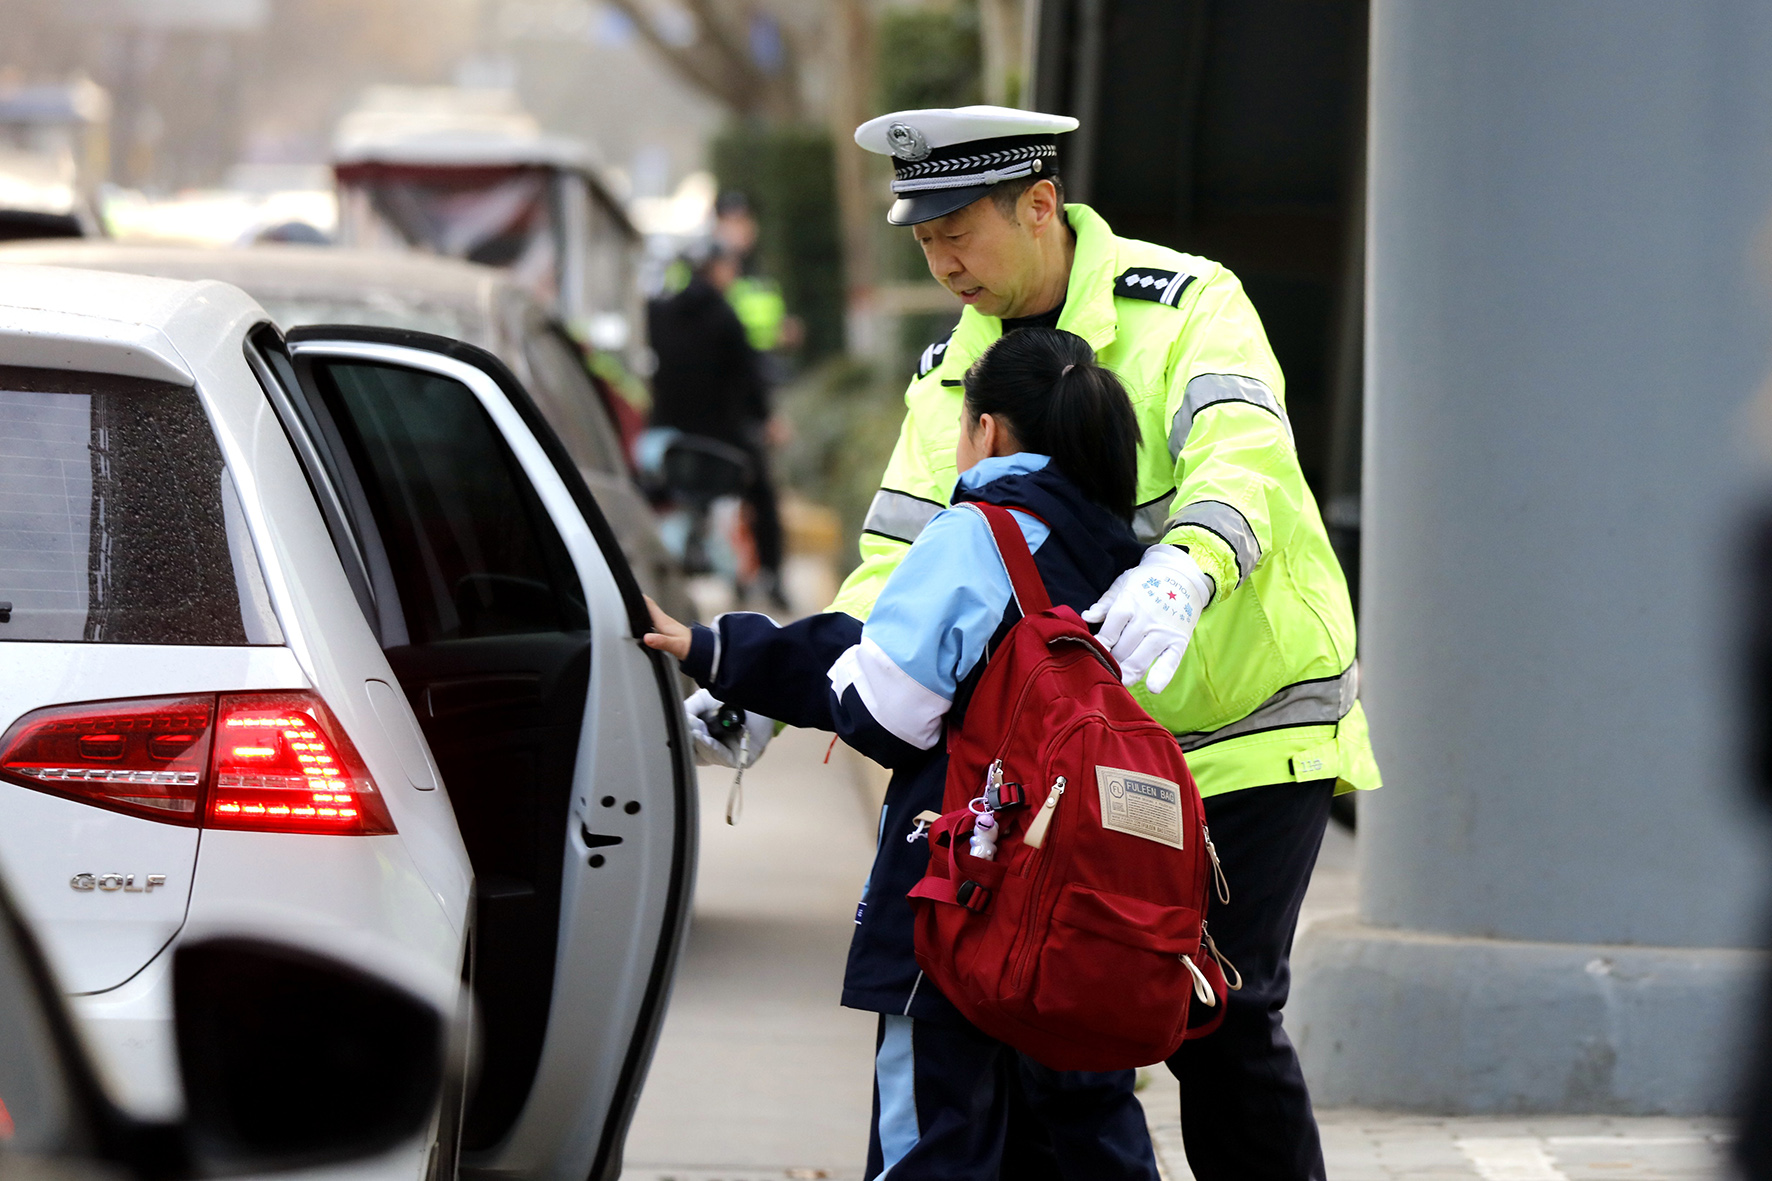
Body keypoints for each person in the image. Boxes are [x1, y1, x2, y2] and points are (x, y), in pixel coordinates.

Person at [693, 105, 1382, 1181]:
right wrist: (793, 683)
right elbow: (901, 563)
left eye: (958, 232)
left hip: (1245, 731)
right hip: (1080, 761)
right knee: (1059, 1018)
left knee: (1220, 1018)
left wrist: (1186, 566)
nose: (943, 262)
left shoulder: (1189, 304)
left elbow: (1243, 456)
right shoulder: (951, 374)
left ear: (1039, 204)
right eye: (925, 241)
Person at [647, 328, 1160, 1180]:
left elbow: (882, 712)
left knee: (934, 1142)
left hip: (965, 891)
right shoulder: (1125, 554)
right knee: (1086, 1137)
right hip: (1083, 902)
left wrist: (733, 658)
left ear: (986, 429)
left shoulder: (978, 534)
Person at [646, 242, 788, 607]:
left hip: (671, 435)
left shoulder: (659, 312)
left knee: (657, 495)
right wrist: (766, 419)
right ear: (718, 270)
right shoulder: (724, 316)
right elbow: (747, 377)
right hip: (723, 436)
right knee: (762, 498)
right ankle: (772, 579)